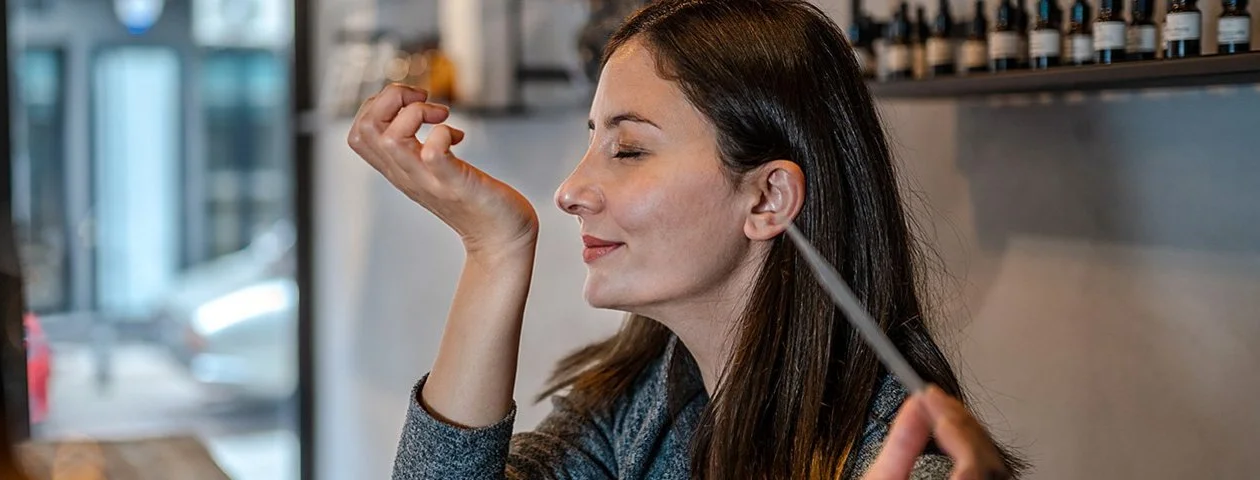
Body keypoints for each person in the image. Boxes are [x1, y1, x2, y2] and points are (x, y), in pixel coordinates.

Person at [347, 0, 1026, 478]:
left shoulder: (899, 465)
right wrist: (494, 250)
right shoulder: (636, 413)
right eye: (594, 140)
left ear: (767, 199)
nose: (570, 189)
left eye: (630, 148)